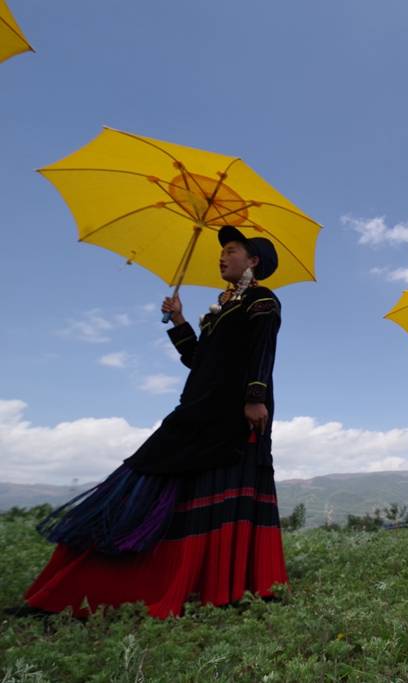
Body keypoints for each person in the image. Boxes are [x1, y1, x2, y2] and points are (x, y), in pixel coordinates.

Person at [23, 227, 289, 618]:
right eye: (222, 251)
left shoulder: (262, 301)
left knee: (222, 484)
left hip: (235, 412)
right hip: (199, 407)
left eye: (231, 251)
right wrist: (180, 321)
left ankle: (228, 585)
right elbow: (197, 361)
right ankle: (103, 577)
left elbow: (263, 351)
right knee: (154, 469)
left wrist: (254, 398)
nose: (222, 257)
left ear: (253, 262)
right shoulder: (218, 312)